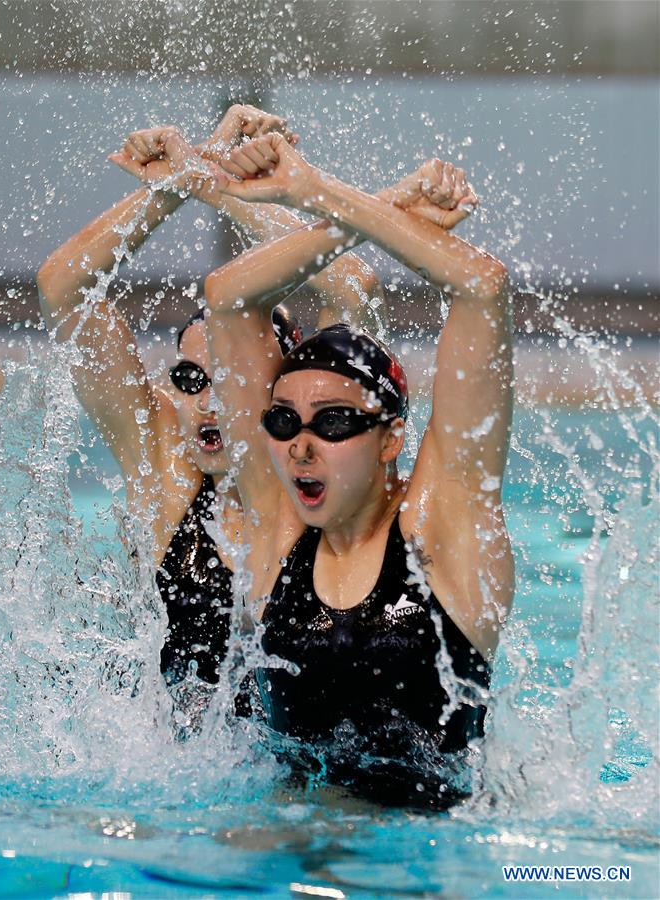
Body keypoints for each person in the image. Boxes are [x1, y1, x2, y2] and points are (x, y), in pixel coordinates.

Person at [192, 133, 515, 806]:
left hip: (426, 845)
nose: (301, 446)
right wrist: (381, 204)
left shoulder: (440, 531)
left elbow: (481, 287)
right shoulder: (279, 534)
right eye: (284, 422)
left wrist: (312, 189)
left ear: (390, 438)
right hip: (289, 841)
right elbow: (226, 298)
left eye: (334, 423)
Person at [36, 106, 385, 701]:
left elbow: (353, 285)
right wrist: (173, 186)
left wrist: (218, 188)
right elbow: (63, 289)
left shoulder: (324, 486)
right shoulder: (166, 473)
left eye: (229, 381)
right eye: (191, 379)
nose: (207, 402)